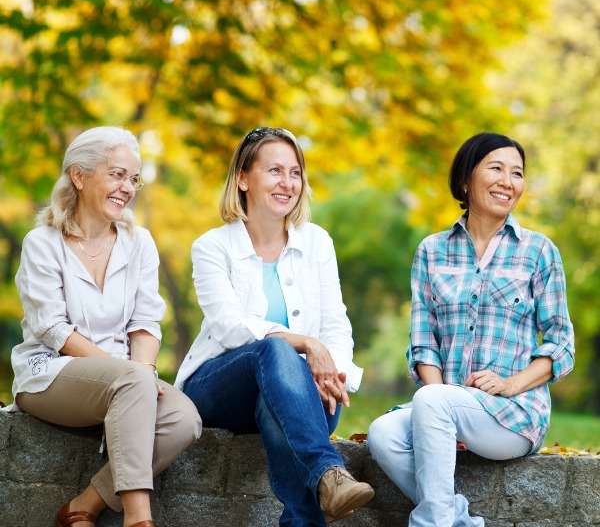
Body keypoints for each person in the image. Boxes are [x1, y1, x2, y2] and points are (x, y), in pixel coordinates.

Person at [367, 132, 575, 527]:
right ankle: (455, 520)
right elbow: (422, 339)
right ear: (466, 179)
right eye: (495, 168)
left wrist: (511, 384)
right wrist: (439, 401)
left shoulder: (538, 251)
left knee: (433, 401)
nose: (507, 181)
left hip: (513, 415)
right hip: (444, 407)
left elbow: (561, 344)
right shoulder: (432, 250)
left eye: (517, 173)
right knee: (383, 434)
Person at [175, 126, 374, 526]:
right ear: (243, 179)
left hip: (302, 393)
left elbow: (336, 321)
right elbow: (231, 328)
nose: (288, 182)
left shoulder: (317, 243)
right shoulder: (212, 247)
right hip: (220, 388)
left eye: (295, 172)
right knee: (274, 348)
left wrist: (333, 372)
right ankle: (327, 469)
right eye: (275, 171)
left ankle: (312, 505)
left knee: (278, 401)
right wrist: (306, 344)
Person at [6, 127, 202, 527]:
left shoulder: (139, 241)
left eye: (133, 179)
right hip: (49, 375)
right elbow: (53, 330)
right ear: (79, 176)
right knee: (133, 382)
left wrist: (141, 373)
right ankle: (138, 519)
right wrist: (131, 376)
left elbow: (146, 321)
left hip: (125, 379)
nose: (127, 188)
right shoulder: (42, 243)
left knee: (185, 418)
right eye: (116, 175)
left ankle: (85, 504)